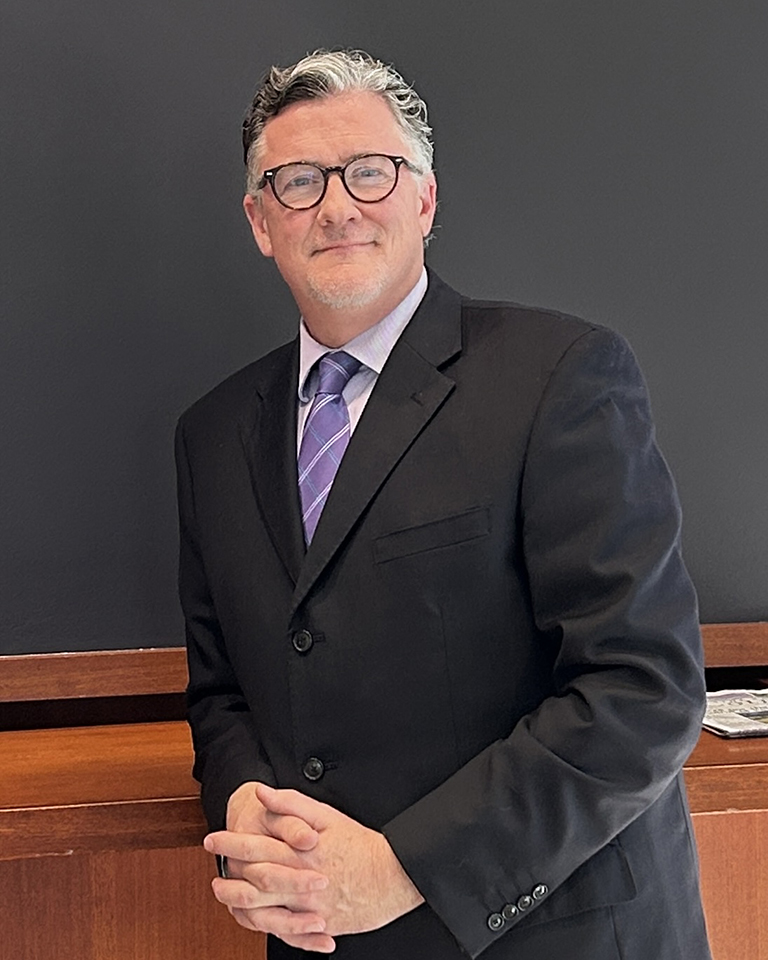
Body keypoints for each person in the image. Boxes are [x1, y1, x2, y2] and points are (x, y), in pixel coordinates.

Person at [176, 49, 712, 960]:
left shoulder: (560, 375)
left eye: (370, 173)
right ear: (260, 221)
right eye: (298, 181)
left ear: (424, 200)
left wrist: (403, 869)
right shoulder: (212, 434)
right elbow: (224, 692)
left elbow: (643, 691)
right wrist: (244, 802)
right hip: (322, 937)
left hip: (553, 935)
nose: (337, 205)